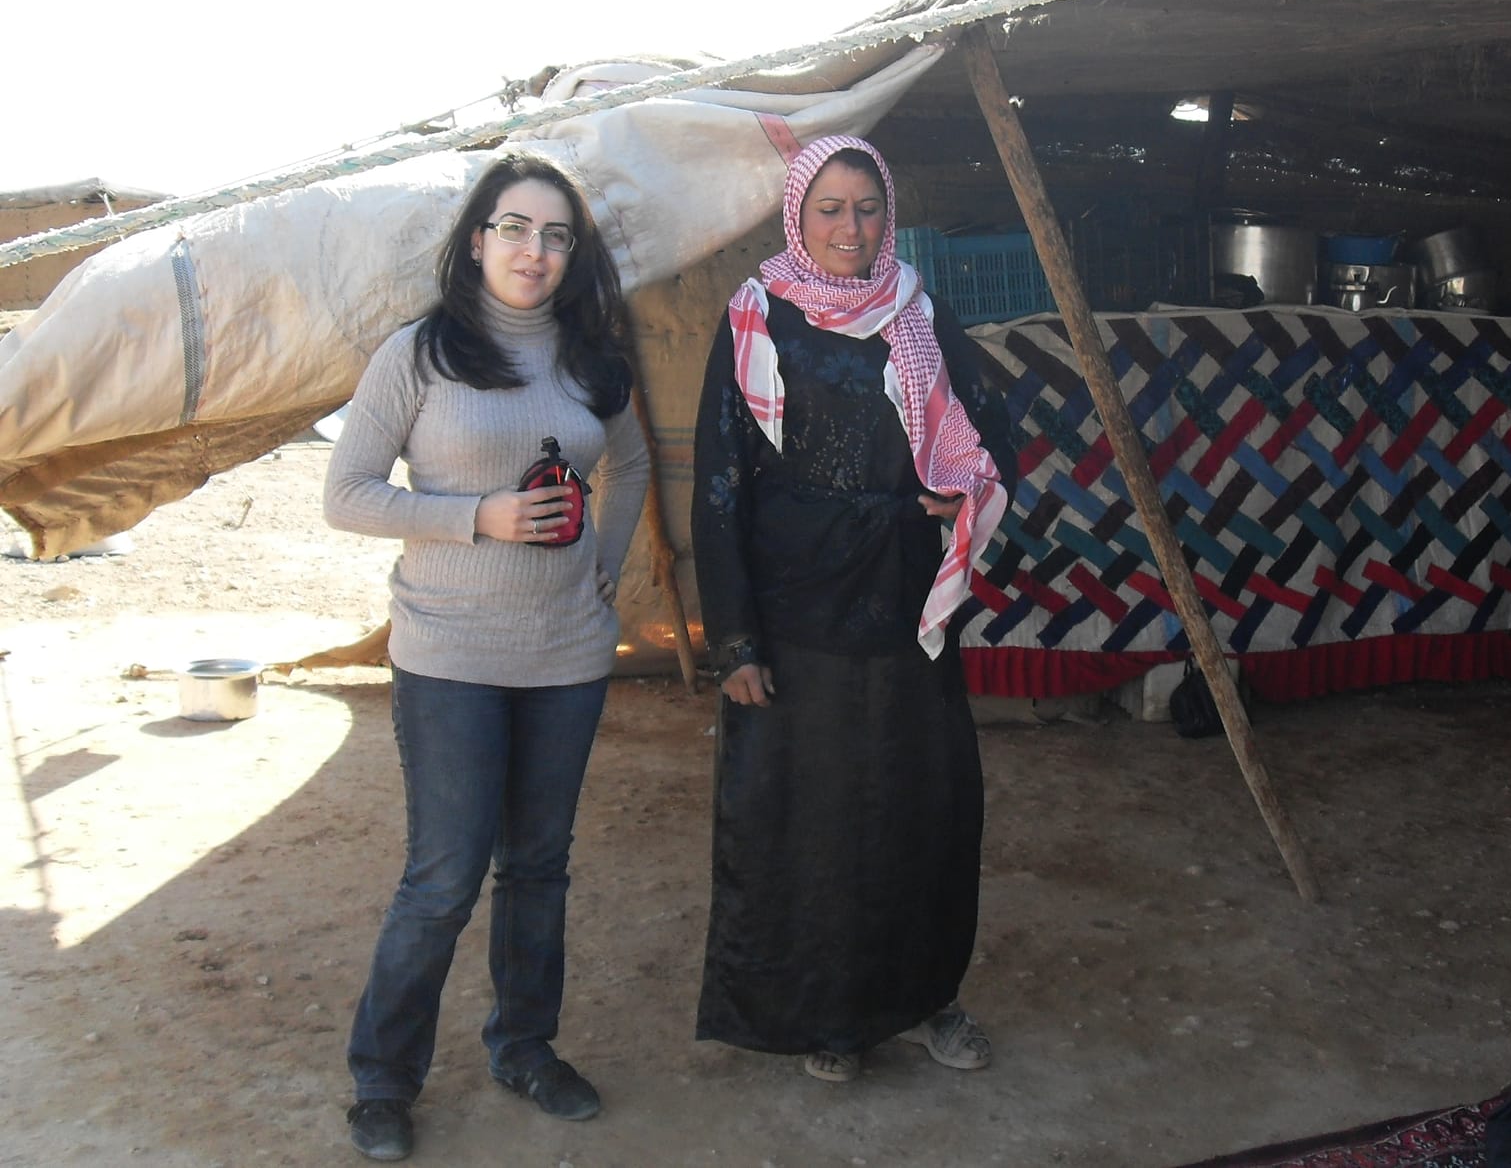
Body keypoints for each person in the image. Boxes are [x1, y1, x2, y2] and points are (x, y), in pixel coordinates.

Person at [324, 150, 651, 1161]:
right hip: (450, 653)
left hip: (567, 653)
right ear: (477, 241)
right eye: (514, 228)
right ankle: (384, 1079)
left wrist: (605, 565)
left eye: (555, 235)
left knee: (539, 868)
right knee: (443, 877)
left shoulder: (592, 358)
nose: (534, 251)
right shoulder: (419, 354)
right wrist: (478, 515)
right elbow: (347, 494)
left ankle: (523, 1047)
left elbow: (632, 460)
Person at [691, 133, 1017, 1083]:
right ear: (798, 217)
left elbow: (992, 419)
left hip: (908, 607)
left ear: (889, 216)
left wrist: (968, 485)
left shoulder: (918, 310)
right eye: (829, 209)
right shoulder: (758, 317)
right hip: (798, 614)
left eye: (867, 209)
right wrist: (736, 641)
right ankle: (828, 1017)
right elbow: (720, 486)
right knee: (813, 817)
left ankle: (926, 998)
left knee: (924, 808)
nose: (851, 228)